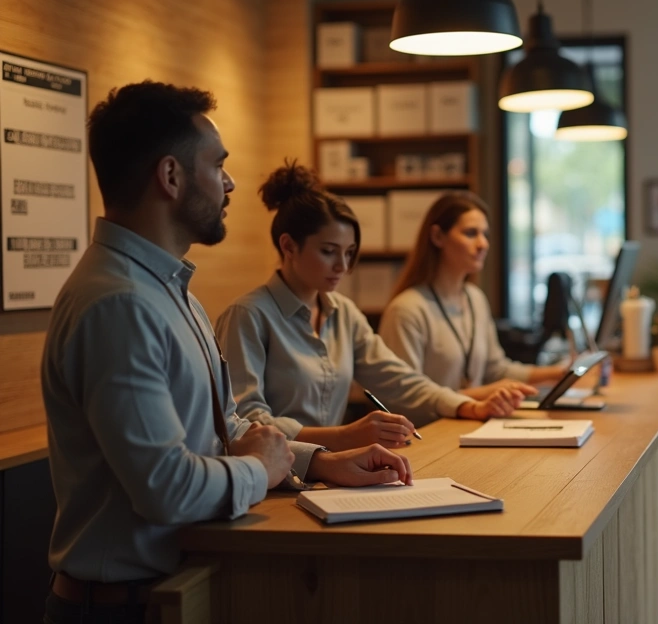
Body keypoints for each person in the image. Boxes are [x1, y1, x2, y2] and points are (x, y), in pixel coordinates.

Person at [41, 81, 412, 624]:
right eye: (218, 165)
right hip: (119, 608)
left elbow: (226, 426)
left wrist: (321, 463)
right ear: (170, 177)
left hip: (173, 590)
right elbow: (167, 489)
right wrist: (261, 470)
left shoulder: (169, 290)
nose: (230, 182)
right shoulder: (118, 305)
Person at [216, 165, 522, 451]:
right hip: (272, 482)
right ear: (288, 246)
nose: (342, 266)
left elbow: (398, 379)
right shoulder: (249, 316)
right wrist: (344, 436)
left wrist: (466, 406)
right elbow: (247, 423)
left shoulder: (344, 314)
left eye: (349, 253)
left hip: (333, 468)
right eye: (328, 252)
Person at [378, 192, 567, 400]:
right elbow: (404, 398)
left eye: (484, 234)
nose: (483, 244)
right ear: (437, 237)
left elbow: (496, 370)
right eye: (470, 233)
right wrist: (481, 395)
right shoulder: (407, 309)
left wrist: (559, 373)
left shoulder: (475, 299)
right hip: (432, 431)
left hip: (472, 425)